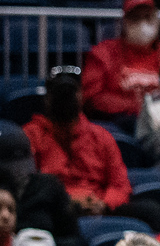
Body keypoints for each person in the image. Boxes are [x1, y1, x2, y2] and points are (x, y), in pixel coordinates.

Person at [24, 67, 129, 215]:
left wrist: (105, 203)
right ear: (47, 98)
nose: (65, 100)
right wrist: (67, 201)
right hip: (54, 210)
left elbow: (120, 185)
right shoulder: (30, 135)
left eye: (70, 94)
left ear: (81, 95)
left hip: (98, 208)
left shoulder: (102, 137)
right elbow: (27, 186)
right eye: (60, 94)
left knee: (149, 210)